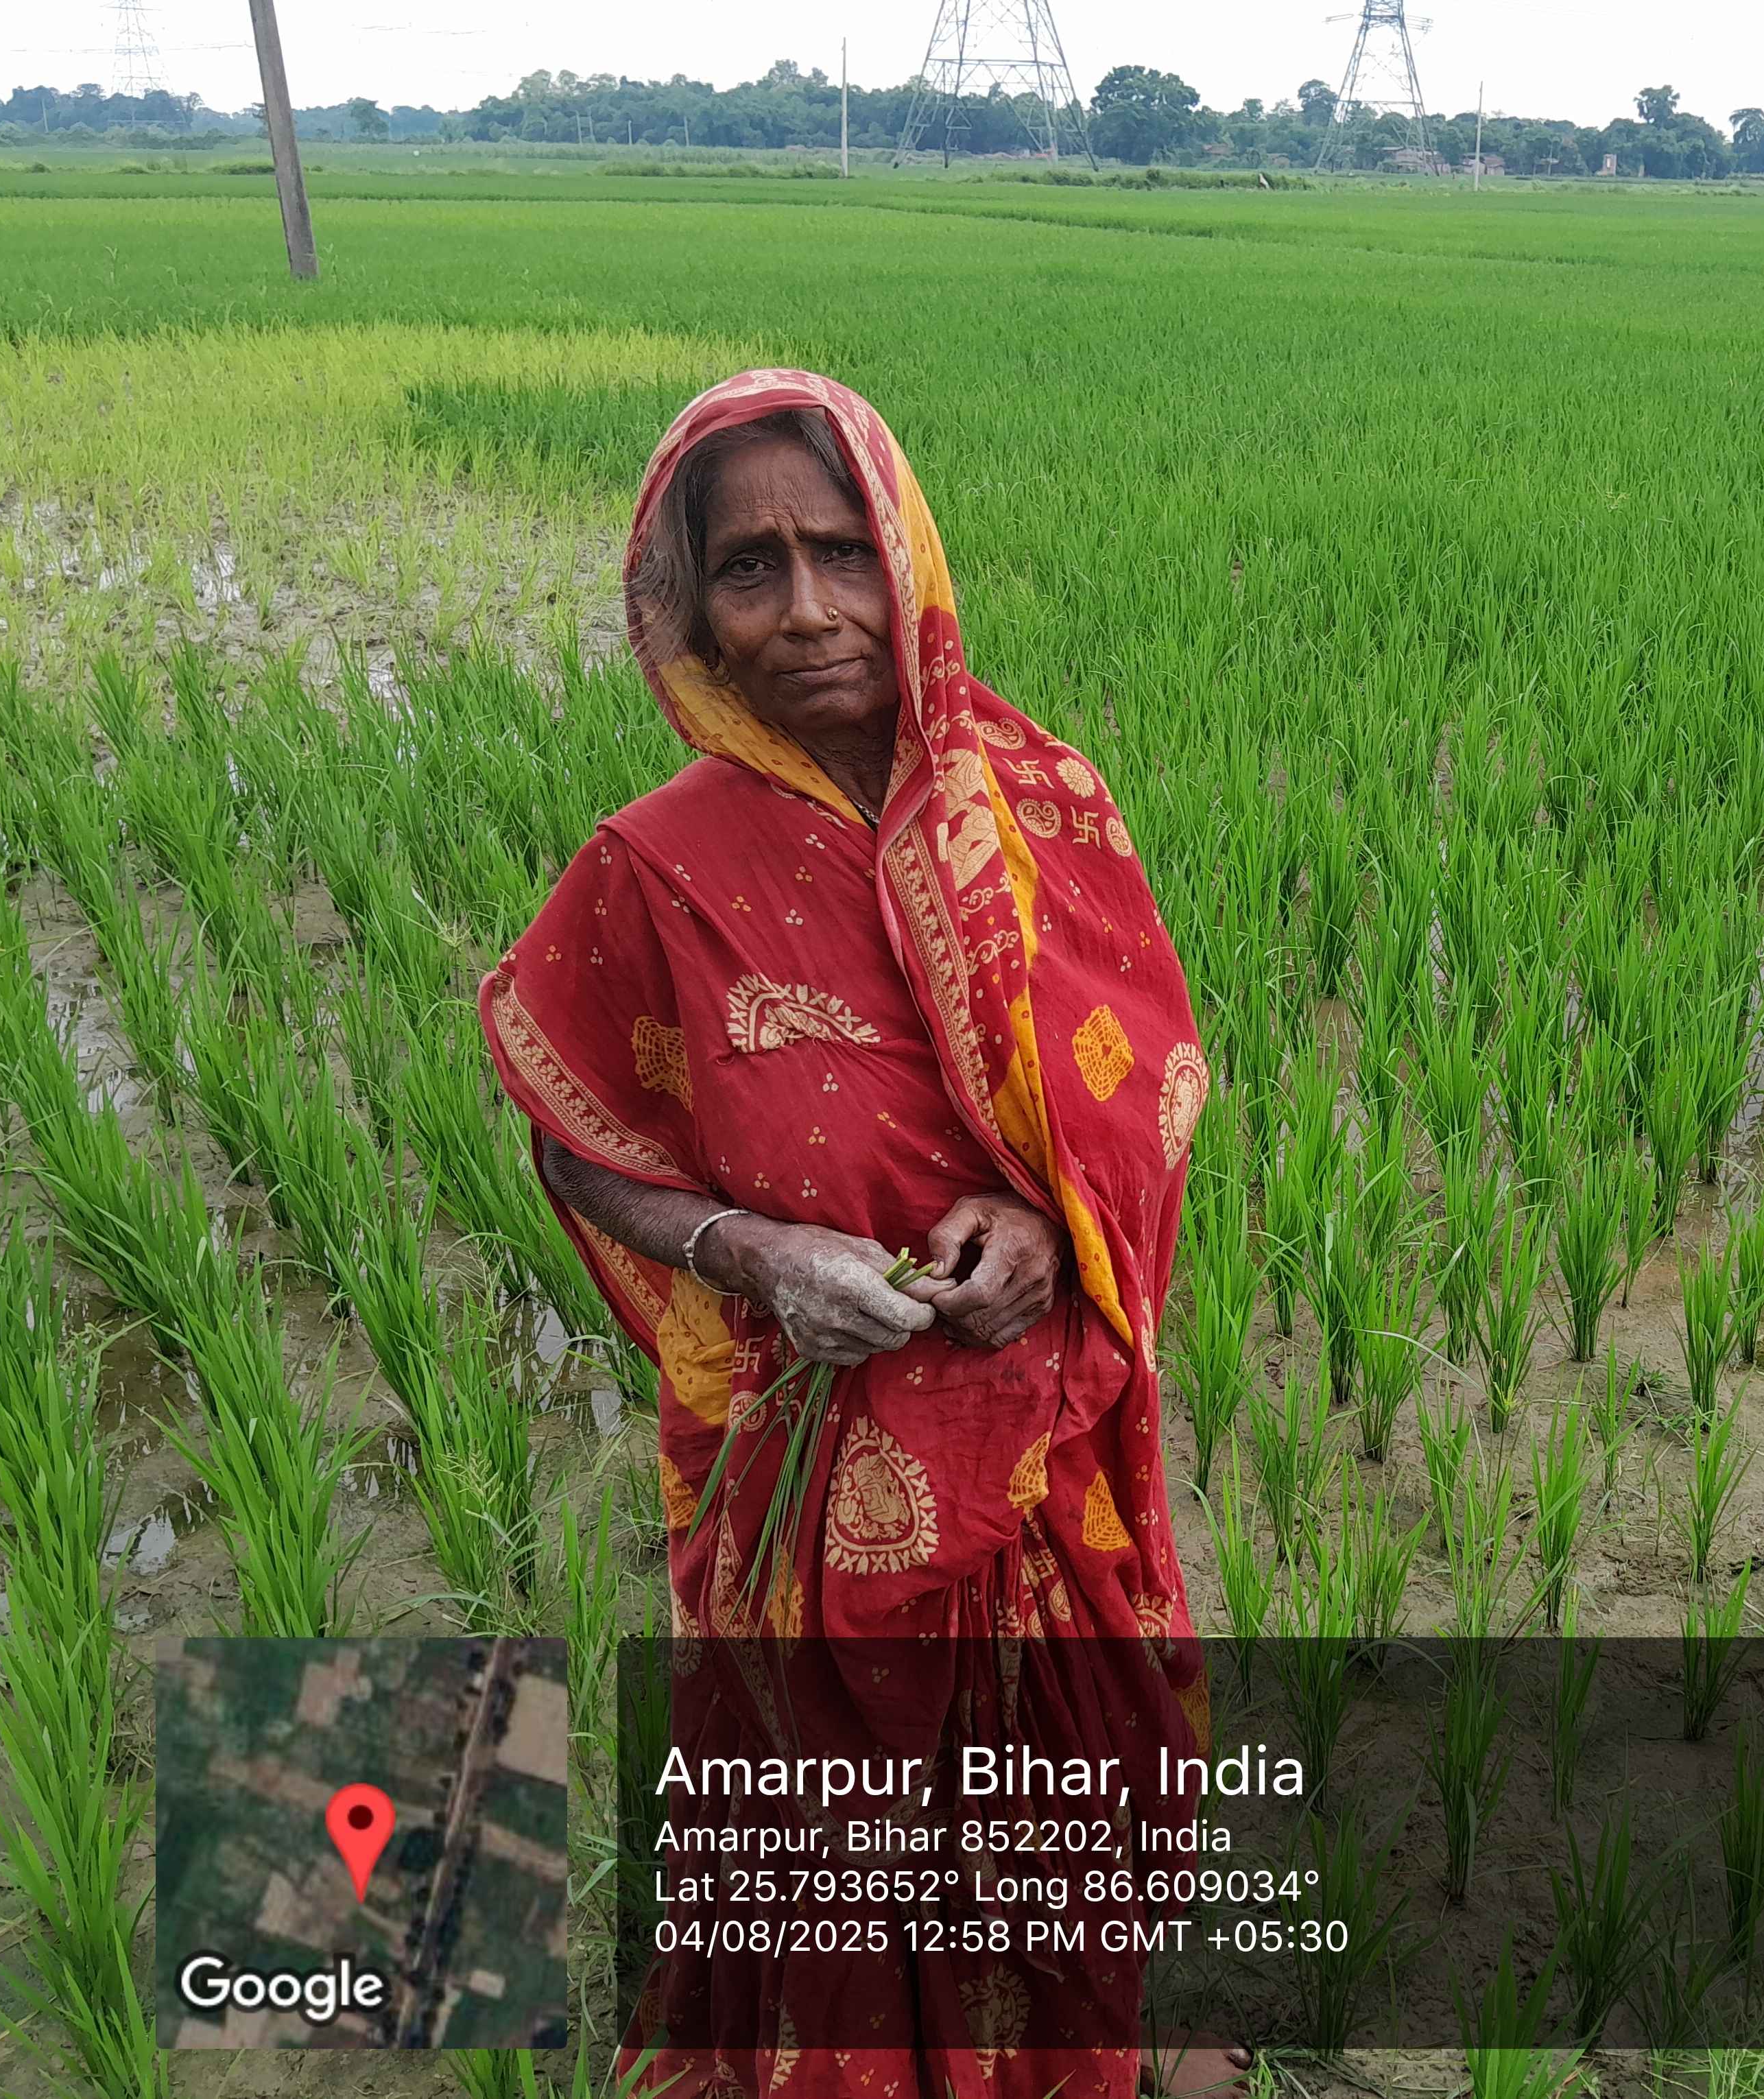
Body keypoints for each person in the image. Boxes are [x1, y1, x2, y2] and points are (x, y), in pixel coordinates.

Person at [478, 370, 1235, 2099]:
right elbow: (580, 1141)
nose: (810, 609)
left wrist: (1047, 1225)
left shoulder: (1038, 807)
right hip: (804, 1473)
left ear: (908, 560)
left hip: (1036, 1452)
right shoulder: (651, 868)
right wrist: (756, 1255)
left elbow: (1151, 1087)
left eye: (841, 552)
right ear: (690, 610)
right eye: (751, 568)